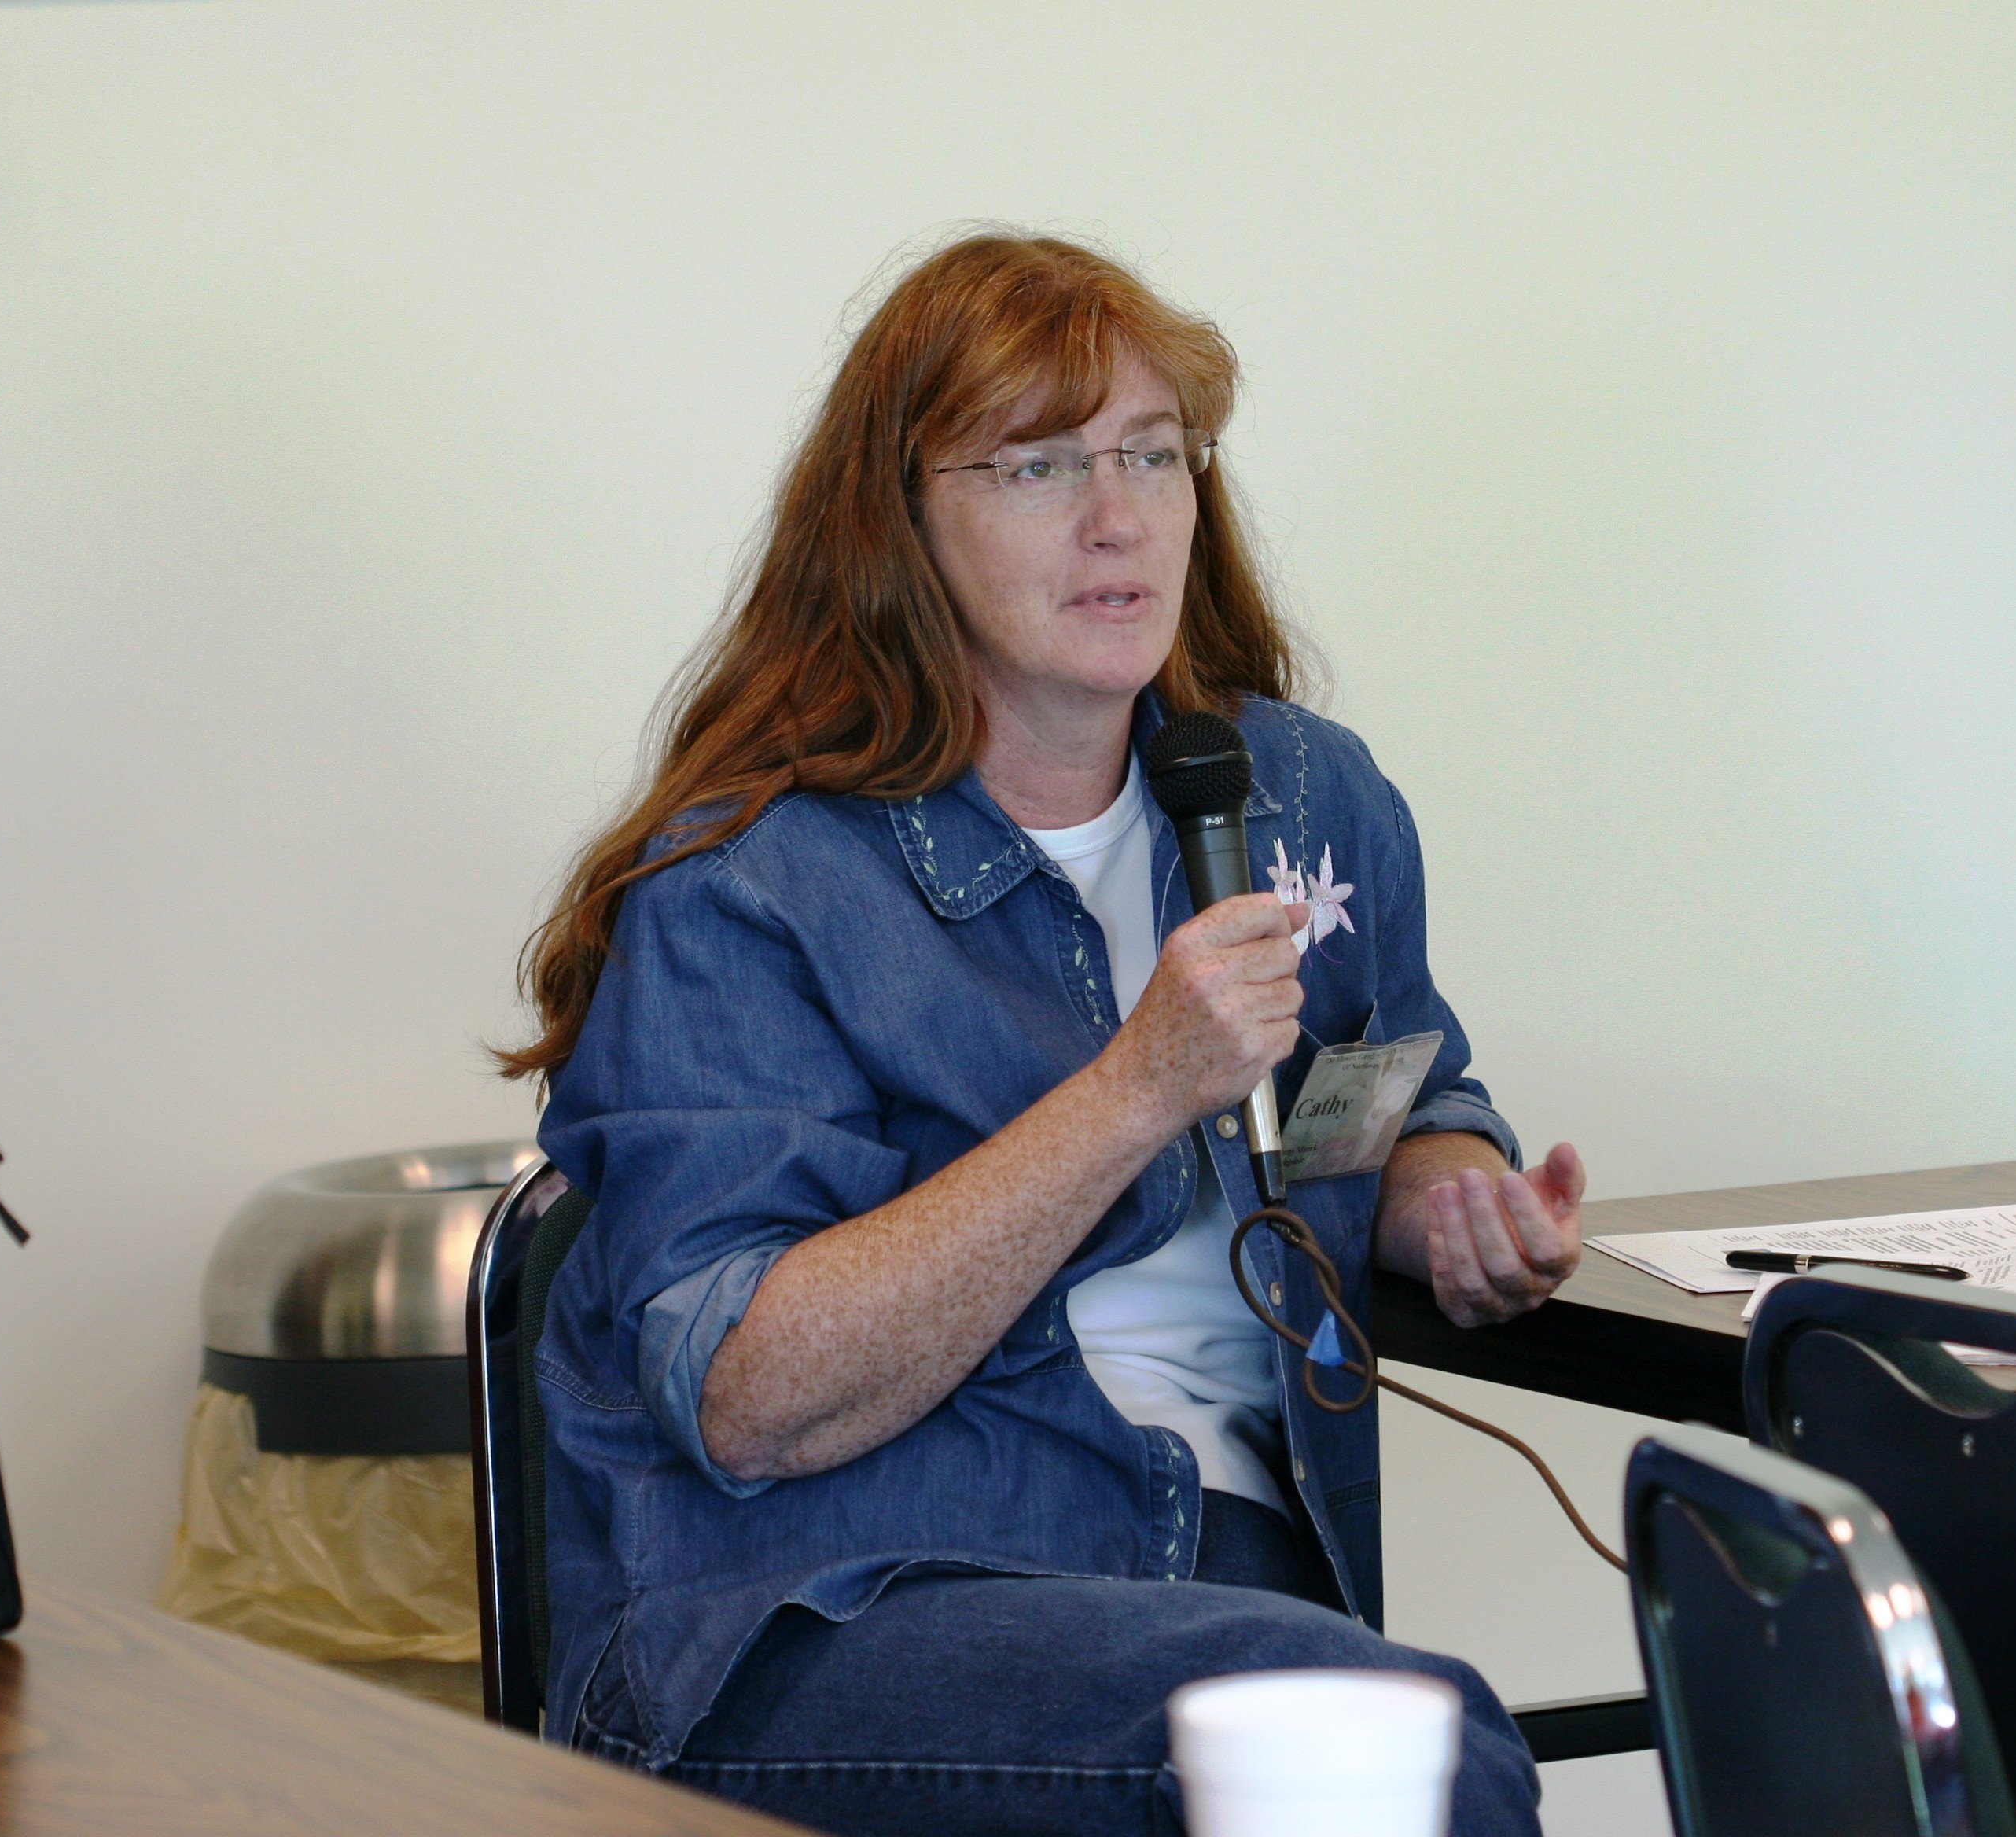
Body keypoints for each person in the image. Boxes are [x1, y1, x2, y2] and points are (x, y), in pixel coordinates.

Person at [501, 232, 1587, 1837]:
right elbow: (748, 1398)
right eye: (1038, 466)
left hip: (1226, 1574)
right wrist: (1136, 1089)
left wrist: (1451, 1202)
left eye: (1153, 453)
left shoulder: (1301, 792)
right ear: (899, 522)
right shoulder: (746, 883)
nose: (1117, 516)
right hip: (823, 1605)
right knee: (1401, 1754)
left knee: (1392, 1733)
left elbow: (1392, 1092)